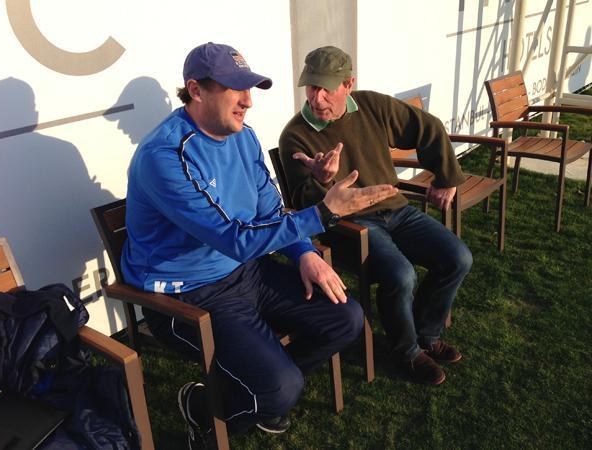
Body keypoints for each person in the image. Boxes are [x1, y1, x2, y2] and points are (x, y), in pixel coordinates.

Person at [121, 42, 398, 448]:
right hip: (186, 296)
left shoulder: (243, 137)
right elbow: (233, 239)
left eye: (249, 88)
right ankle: (202, 407)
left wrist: (304, 252)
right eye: (234, 89)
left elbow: (270, 209)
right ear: (196, 90)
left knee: (346, 319)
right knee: (280, 388)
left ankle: (262, 388)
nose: (248, 101)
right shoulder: (164, 156)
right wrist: (323, 213)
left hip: (244, 273)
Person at [279, 46, 473, 387]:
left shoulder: (371, 106)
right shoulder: (295, 136)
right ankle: (407, 351)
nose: (316, 97)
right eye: (311, 87)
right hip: (348, 226)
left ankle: (426, 334)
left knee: (458, 258)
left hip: (396, 209)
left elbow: (427, 126)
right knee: (401, 275)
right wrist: (322, 180)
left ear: (348, 84)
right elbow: (303, 206)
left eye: (326, 88)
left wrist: (446, 176)